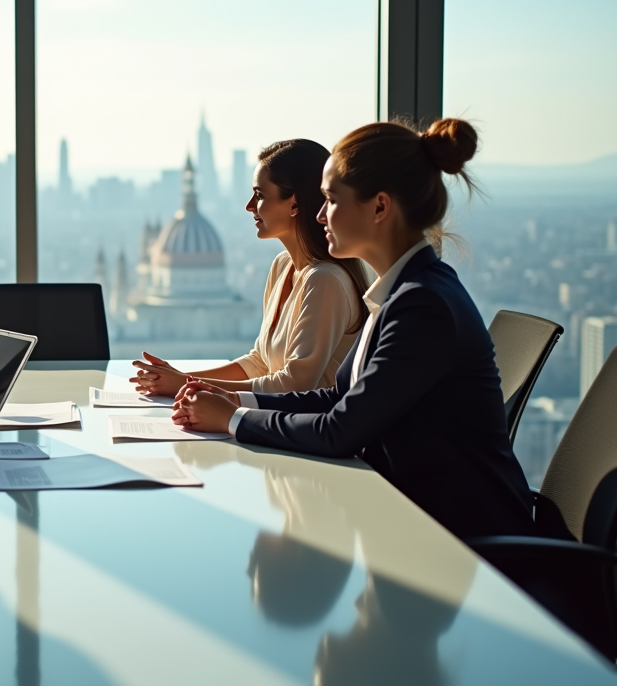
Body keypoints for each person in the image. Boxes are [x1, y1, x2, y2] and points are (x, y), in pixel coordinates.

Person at [171, 118, 534, 540]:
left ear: (380, 208)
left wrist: (234, 419)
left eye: (330, 200)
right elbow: (340, 398)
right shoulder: (403, 291)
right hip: (414, 520)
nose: (320, 215)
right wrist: (234, 398)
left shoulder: (422, 305)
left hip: (459, 540)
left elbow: (341, 429)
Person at [131, 139, 368, 397]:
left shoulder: (325, 280)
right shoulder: (283, 266)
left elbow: (295, 385)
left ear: (294, 203)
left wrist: (185, 385)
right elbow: (260, 363)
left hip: (306, 430)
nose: (249, 206)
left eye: (260, 195)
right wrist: (181, 378)